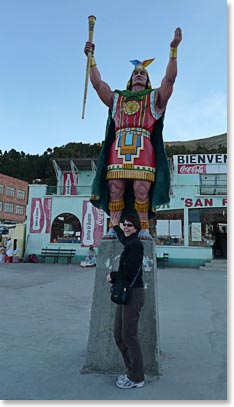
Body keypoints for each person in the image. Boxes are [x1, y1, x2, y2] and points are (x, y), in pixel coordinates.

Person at [84, 28, 182, 238]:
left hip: (143, 145)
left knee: (141, 189)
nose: (139, 75)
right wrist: (91, 59)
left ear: (147, 80)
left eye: (143, 74)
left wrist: (173, 50)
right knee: (115, 189)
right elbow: (97, 83)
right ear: (130, 79)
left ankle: (144, 229)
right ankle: (114, 228)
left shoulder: (154, 98)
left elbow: (170, 80)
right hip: (119, 146)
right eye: (135, 73)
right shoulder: (117, 98)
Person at [106, 214, 145, 389]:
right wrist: (116, 226)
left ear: (137, 228)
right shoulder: (130, 242)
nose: (127, 227)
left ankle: (137, 378)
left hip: (133, 294)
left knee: (129, 336)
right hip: (126, 294)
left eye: (130, 225)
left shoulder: (136, 245)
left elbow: (129, 273)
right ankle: (131, 370)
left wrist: (112, 276)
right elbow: (123, 238)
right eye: (125, 224)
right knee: (119, 335)